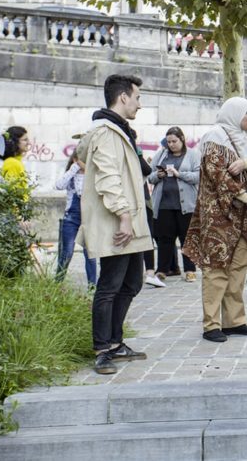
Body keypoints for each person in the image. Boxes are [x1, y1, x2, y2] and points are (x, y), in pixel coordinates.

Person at [79, 74, 152, 375]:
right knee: (109, 285)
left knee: (133, 281)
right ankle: (102, 350)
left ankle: (115, 341)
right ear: (123, 97)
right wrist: (123, 215)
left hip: (129, 221)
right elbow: (108, 177)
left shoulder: (120, 130)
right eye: (137, 97)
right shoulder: (106, 132)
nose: (139, 103)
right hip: (118, 222)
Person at [182, 97, 247, 343]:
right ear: (234, 113)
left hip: (244, 219)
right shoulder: (214, 138)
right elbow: (216, 174)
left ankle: (234, 321)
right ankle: (211, 325)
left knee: (239, 268)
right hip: (218, 216)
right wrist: (246, 196)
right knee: (215, 269)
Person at [148, 127, 201, 282]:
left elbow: (199, 176)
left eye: (174, 141)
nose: (171, 144)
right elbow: (150, 177)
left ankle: (190, 270)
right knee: (165, 239)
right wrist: (158, 175)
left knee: (187, 238)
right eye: (169, 141)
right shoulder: (161, 154)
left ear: (182, 139)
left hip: (186, 205)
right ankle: (163, 270)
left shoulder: (193, 154)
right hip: (164, 204)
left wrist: (179, 174)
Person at [54, 147, 97, 286]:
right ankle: (58, 283)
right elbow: (59, 185)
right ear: (75, 160)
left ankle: (92, 285)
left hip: (89, 218)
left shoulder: (93, 175)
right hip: (71, 217)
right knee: (67, 252)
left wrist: (89, 171)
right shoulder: (71, 175)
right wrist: (73, 169)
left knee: (90, 254)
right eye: (81, 160)